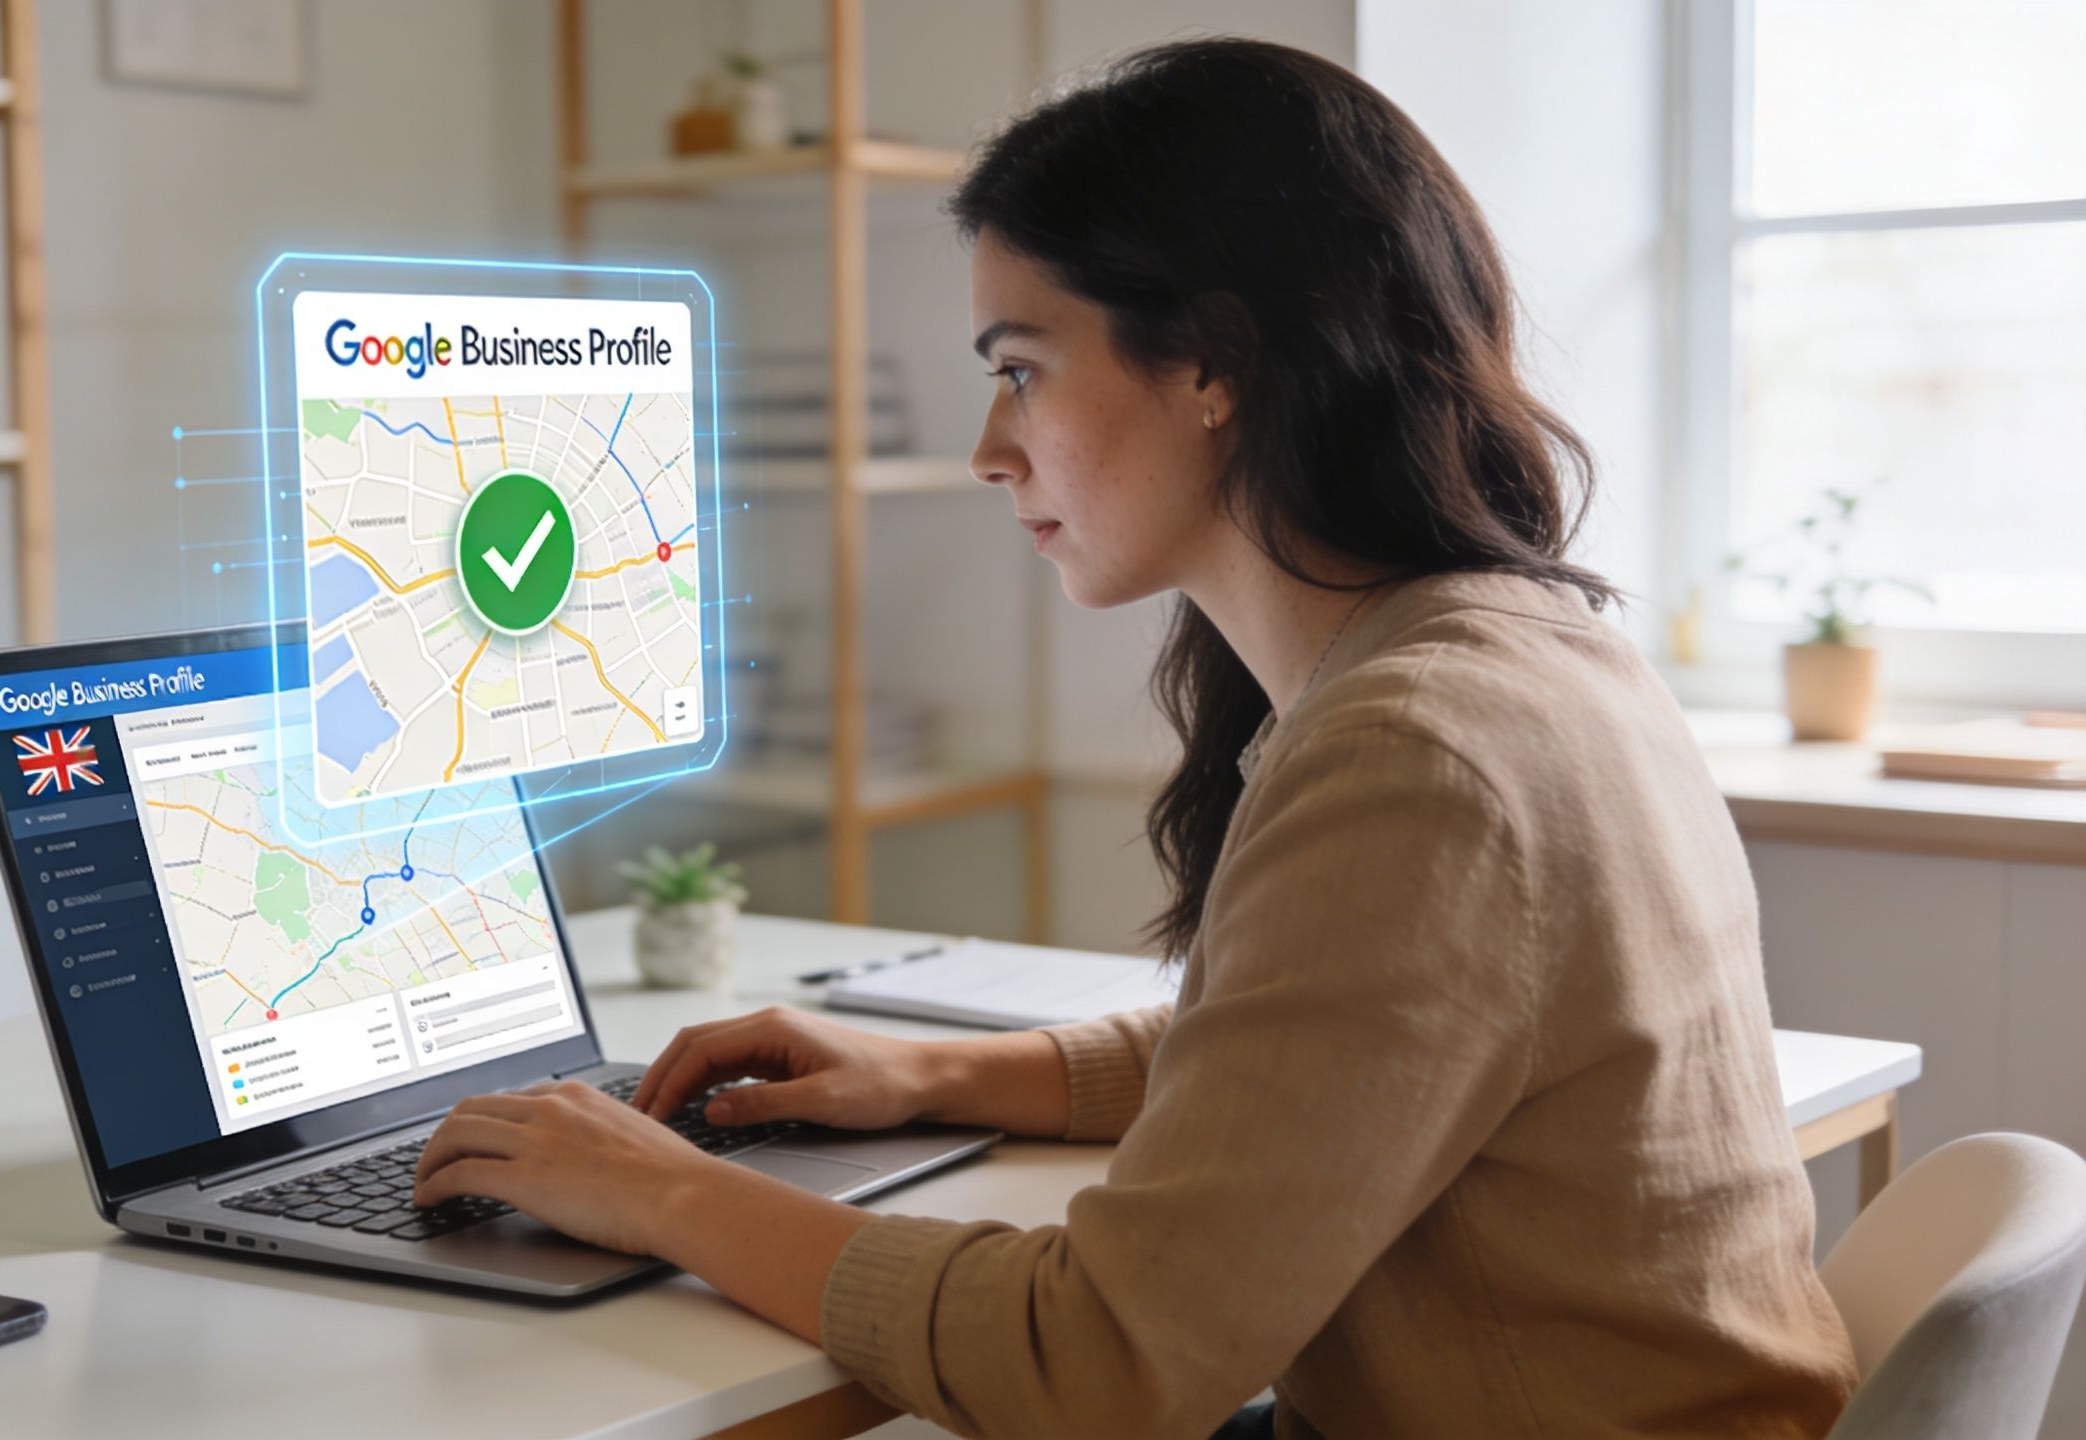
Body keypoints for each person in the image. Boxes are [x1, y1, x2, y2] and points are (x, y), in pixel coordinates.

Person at [413, 37, 1857, 1439]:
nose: (991, 446)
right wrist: (934, 1074)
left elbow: (1092, 1369)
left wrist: (659, 1190)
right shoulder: (1523, 651)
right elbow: (1314, 1056)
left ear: (1214, 365)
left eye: (1022, 366)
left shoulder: (1419, 754)